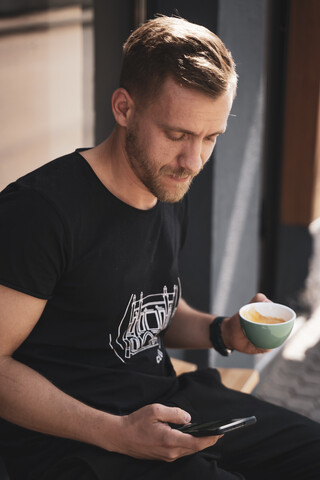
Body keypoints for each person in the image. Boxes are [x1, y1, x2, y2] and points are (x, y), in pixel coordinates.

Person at [0, 15, 319, 480]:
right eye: (177, 135)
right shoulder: (41, 211)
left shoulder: (166, 185)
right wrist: (117, 432)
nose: (193, 161)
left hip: (169, 404)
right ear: (124, 108)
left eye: (211, 138)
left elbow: (147, 310)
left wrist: (223, 331)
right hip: (80, 442)